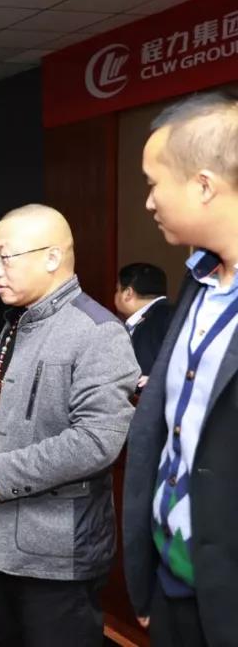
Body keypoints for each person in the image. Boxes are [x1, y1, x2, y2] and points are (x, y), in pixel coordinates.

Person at [0, 205, 138, 646]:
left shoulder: (96, 331)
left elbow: (97, 440)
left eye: (6, 257)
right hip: (1, 535)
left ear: (52, 257)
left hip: (56, 548)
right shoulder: (19, 321)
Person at [124, 92, 238, 647]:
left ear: (203, 185)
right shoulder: (198, 283)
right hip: (174, 579)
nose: (148, 201)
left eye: (153, 182)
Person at [114, 262, 173, 382]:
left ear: (128, 293)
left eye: (117, 290)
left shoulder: (163, 319)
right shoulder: (170, 314)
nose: (115, 295)